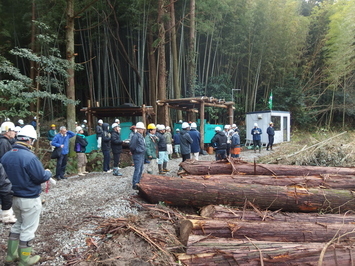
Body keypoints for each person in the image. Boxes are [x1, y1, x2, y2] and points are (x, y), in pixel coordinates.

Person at [2, 125, 55, 265]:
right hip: (29, 198)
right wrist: (48, 173)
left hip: (13, 198)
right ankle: (24, 259)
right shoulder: (29, 157)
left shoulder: (6, 156)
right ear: (30, 141)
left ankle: (10, 256)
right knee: (28, 229)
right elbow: (40, 177)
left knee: (18, 224)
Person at [0, 121, 17, 224]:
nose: (14, 133)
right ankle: (6, 215)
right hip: (3, 172)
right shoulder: (4, 143)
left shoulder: (4, 142)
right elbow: (4, 159)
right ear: (8, 131)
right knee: (5, 191)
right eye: (13, 131)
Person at [129, 122, 146, 190]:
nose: (143, 130)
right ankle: (135, 183)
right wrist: (134, 152)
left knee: (141, 168)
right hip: (137, 154)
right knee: (138, 169)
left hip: (141, 154)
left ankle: (138, 182)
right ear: (138, 129)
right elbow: (132, 146)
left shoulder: (140, 136)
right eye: (142, 129)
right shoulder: (135, 136)